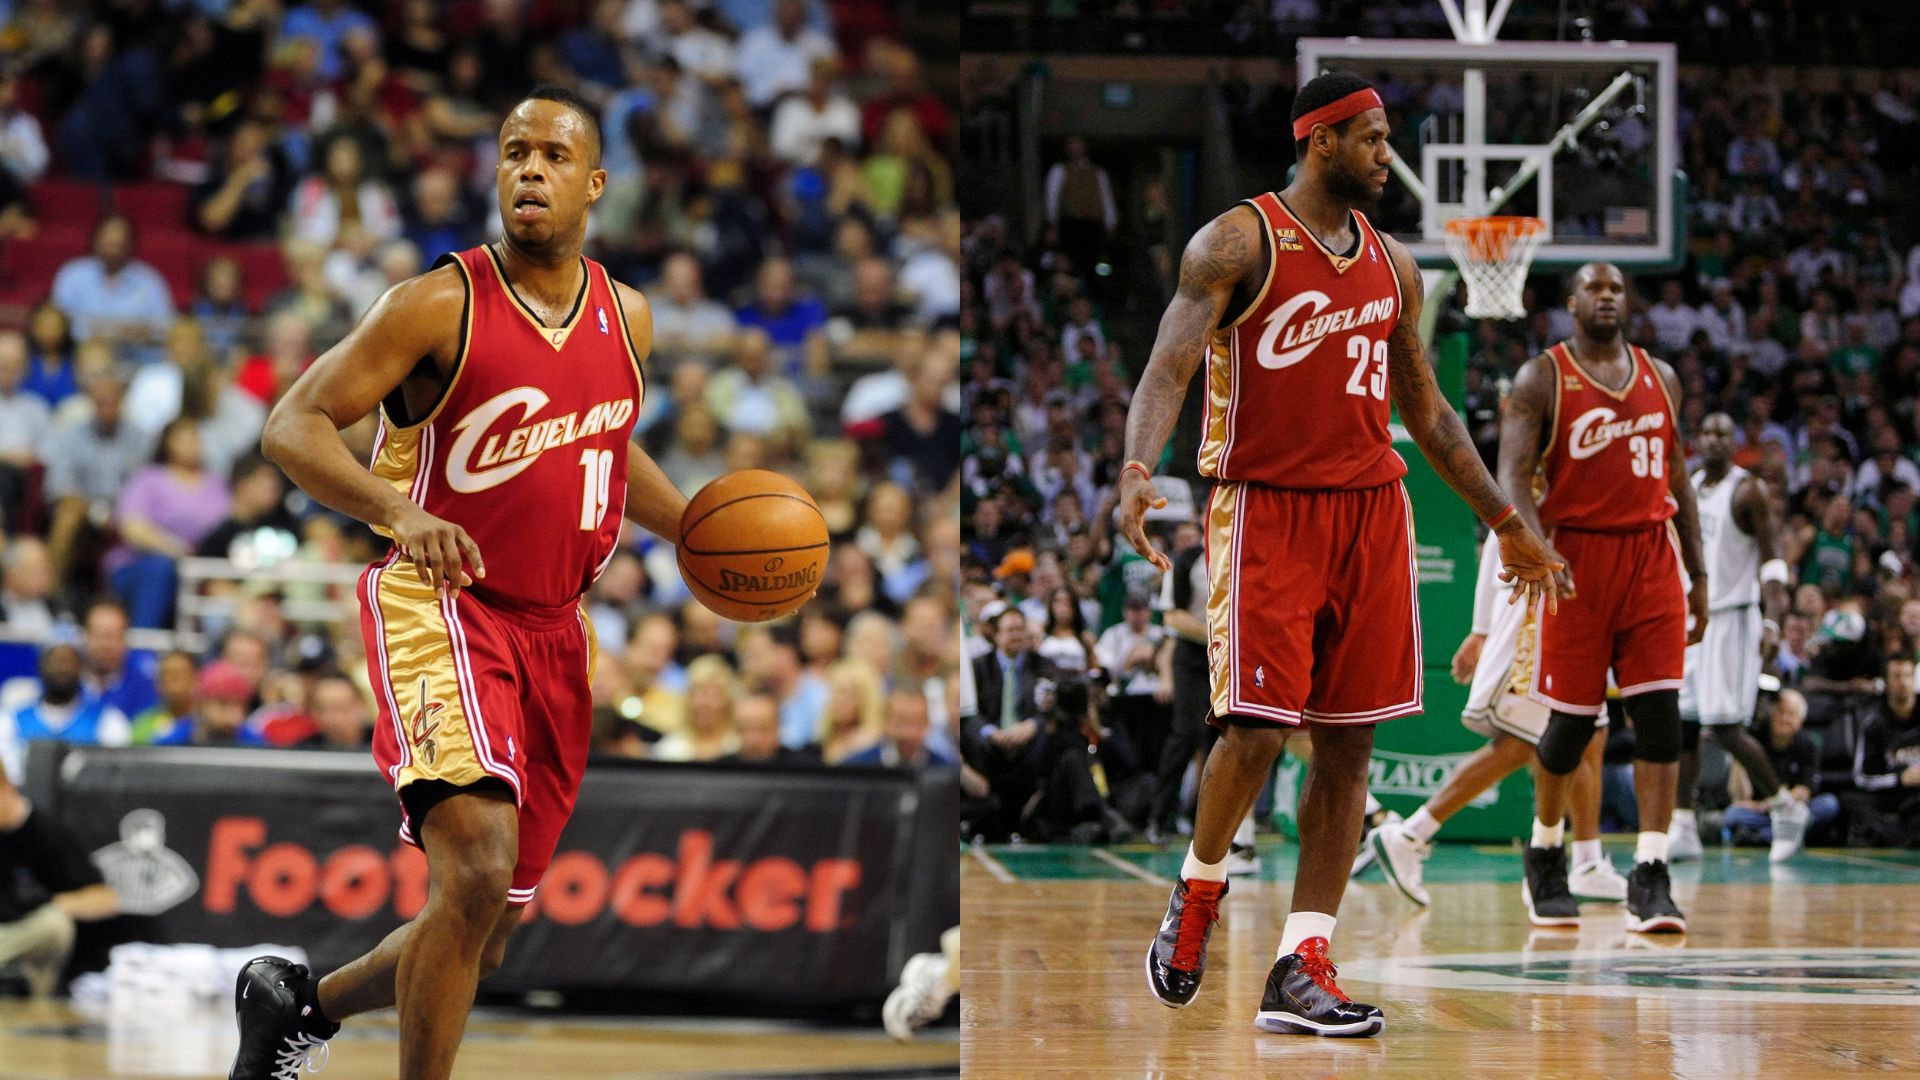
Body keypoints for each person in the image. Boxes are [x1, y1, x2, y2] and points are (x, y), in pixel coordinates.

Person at [228, 85, 693, 1080]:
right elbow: (293, 425)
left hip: (557, 631)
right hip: (442, 602)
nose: (530, 168)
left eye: (554, 155)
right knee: (476, 871)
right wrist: (398, 511)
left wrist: (698, 529)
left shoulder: (629, 317)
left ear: (594, 183)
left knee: (483, 929)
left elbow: (608, 442)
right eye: (515, 151)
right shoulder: (438, 302)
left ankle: (295, 1007)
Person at [1121, 73, 1559, 1036]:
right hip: (1267, 507)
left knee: (1351, 740)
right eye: (1370, 139)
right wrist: (1135, 465)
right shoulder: (1236, 241)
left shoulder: (1394, 265)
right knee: (1255, 729)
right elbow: (1169, 365)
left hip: (1373, 513)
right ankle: (1198, 893)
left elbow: (1430, 412)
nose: (1384, 155)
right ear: (1321, 142)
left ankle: (1301, 962)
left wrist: (1502, 519)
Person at [1495, 261, 1707, 934]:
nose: (1608, 297)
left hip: (1650, 557)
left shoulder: (1661, 377)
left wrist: (1698, 575)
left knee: (1661, 715)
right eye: (1596, 288)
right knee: (1570, 726)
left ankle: (1651, 871)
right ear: (1572, 301)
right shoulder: (1542, 377)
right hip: (1576, 560)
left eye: (1618, 287)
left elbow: (1679, 481)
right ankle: (1546, 848)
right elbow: (1512, 477)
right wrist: (1535, 548)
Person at [1363, 534, 1625, 916]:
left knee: (1590, 734)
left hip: (1572, 606)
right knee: (1522, 742)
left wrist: (1481, 627)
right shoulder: (1537, 482)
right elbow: (1504, 524)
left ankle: (1586, 861)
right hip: (1538, 612)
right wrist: (1483, 629)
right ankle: (1410, 835)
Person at [1670, 412, 1804, 862]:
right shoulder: (1688, 483)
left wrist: (1773, 621)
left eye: (1722, 434)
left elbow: (1772, 561)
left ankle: (1785, 809)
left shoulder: (1748, 491)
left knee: (1725, 727)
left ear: (1734, 443)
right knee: (1685, 724)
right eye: (1705, 432)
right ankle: (1682, 825)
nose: (1713, 440)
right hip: (1694, 617)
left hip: (1733, 617)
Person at [0, 766, 119, 998]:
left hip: (30, 935)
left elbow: (105, 899)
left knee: (54, 924)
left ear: (6, 789)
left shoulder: (48, 833)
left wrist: (46, 903)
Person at [1722, 689, 1840, 846]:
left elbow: (1804, 791)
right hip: (1760, 812)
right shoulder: (1753, 742)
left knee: (1828, 805)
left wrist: (1770, 804)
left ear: (1801, 720)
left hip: (1789, 810)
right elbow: (1741, 797)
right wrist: (1739, 755)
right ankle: (1783, 836)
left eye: (1791, 714)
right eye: (1780, 712)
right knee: (1732, 815)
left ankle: (1767, 836)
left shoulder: (1808, 745)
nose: (1784, 718)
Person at [0, 643, 132, 784]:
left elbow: (112, 777)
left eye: (68, 661)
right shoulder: (10, 721)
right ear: (40, 666)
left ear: (81, 668)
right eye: (54, 661)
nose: (61, 668)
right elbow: (9, 779)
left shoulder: (108, 721)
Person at [1849, 654, 1920, 847]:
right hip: (1889, 794)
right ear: (1887, 681)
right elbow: (1861, 777)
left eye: (1907, 675)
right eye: (1896, 676)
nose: (1903, 682)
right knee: (1855, 805)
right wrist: (1900, 778)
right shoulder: (1873, 722)